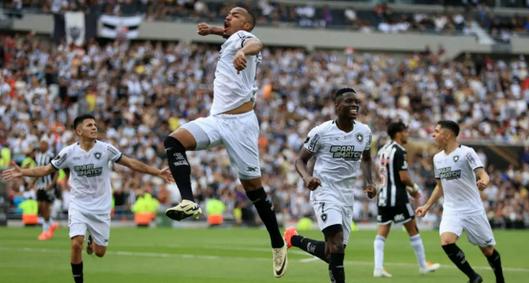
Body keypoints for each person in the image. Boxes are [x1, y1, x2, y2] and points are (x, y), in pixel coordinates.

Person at [162, 6, 287, 277]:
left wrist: (243, 52)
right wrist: (213, 31)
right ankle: (188, 201)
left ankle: (277, 243)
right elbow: (232, 35)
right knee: (173, 141)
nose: (228, 17)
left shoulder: (244, 39)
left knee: (254, 189)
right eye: (228, 14)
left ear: (247, 24)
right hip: (217, 120)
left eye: (236, 14)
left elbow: (256, 42)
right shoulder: (232, 37)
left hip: (241, 126)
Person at [1, 114, 174, 283]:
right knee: (76, 244)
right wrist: (22, 172)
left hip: (101, 207)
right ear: (79, 131)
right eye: (89, 125)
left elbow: (131, 163)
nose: (94, 127)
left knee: (99, 252)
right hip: (79, 205)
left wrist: (157, 172)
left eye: (94, 125)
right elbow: (46, 170)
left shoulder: (106, 149)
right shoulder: (68, 153)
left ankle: (93, 240)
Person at [285, 88, 377, 283]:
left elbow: (367, 159)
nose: (354, 105)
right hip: (324, 190)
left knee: (335, 252)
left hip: (346, 194)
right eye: (349, 102)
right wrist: (307, 178)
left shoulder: (364, 132)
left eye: (356, 102)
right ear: (337, 106)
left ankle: (293, 239)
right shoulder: (321, 132)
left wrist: (370, 182)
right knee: (336, 246)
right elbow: (300, 160)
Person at [416, 120, 505, 283]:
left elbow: (483, 174)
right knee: (446, 241)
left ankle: (500, 280)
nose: (433, 135)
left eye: (436, 131)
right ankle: (474, 277)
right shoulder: (437, 158)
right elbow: (440, 186)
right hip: (452, 209)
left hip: (472, 209)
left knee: (488, 250)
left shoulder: (467, 153)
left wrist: (484, 182)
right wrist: (427, 206)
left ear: (447, 135)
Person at [372, 121, 440, 277]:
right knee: (413, 229)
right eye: (405, 131)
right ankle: (423, 266)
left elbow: (381, 174)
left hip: (383, 196)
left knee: (382, 232)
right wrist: (414, 189)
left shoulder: (382, 150)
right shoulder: (399, 151)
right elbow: (403, 177)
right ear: (398, 133)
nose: (407, 134)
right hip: (397, 197)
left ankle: (378, 268)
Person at [33, 137, 59, 240]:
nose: (42, 145)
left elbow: (57, 171)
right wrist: (32, 182)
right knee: (40, 207)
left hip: (48, 185)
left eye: (44, 143)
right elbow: (37, 170)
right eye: (41, 143)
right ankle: (52, 224)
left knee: (45, 207)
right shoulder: (38, 156)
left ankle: (45, 231)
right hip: (39, 185)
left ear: (47, 145)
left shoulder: (51, 155)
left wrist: (52, 184)